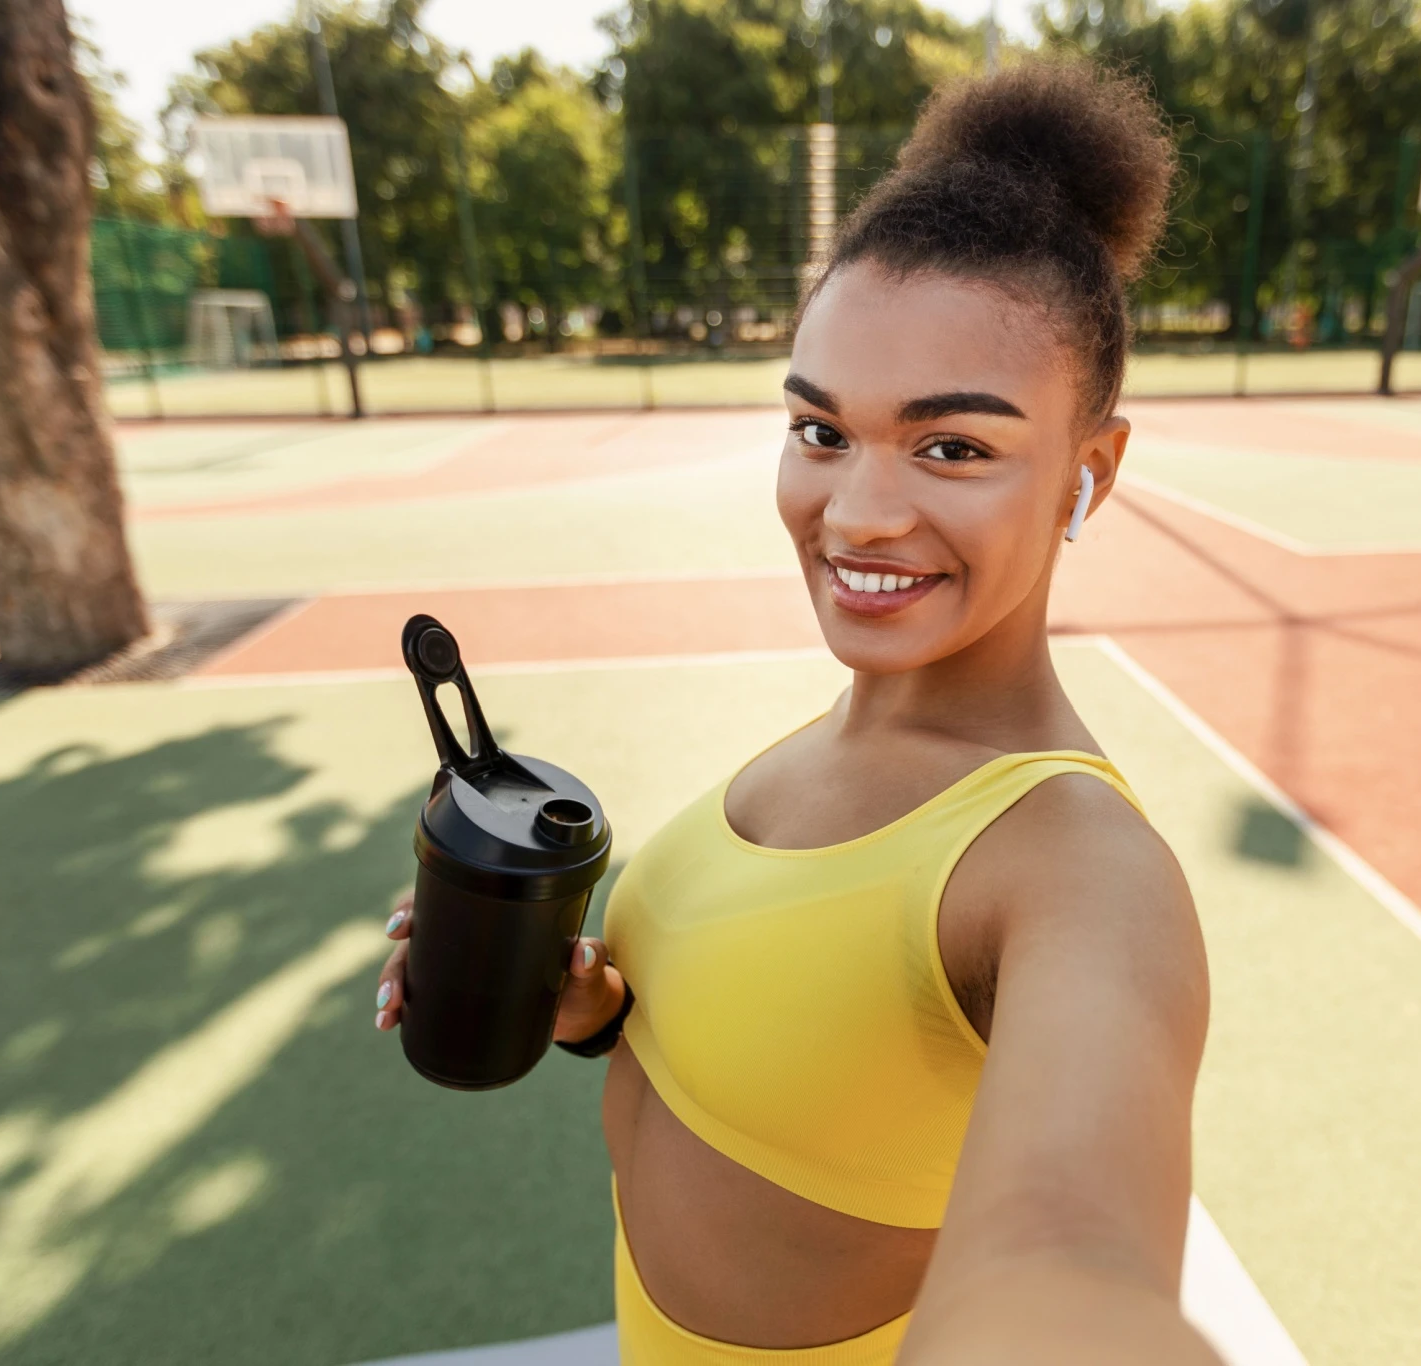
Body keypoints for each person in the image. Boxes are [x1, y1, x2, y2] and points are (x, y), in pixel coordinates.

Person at [376, 60, 1216, 1366]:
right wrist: (593, 1006)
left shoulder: (1081, 872)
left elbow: (1073, 1259)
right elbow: (803, 1051)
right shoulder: (833, 735)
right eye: (823, 430)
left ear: (1088, 468)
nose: (860, 510)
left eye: (953, 446)